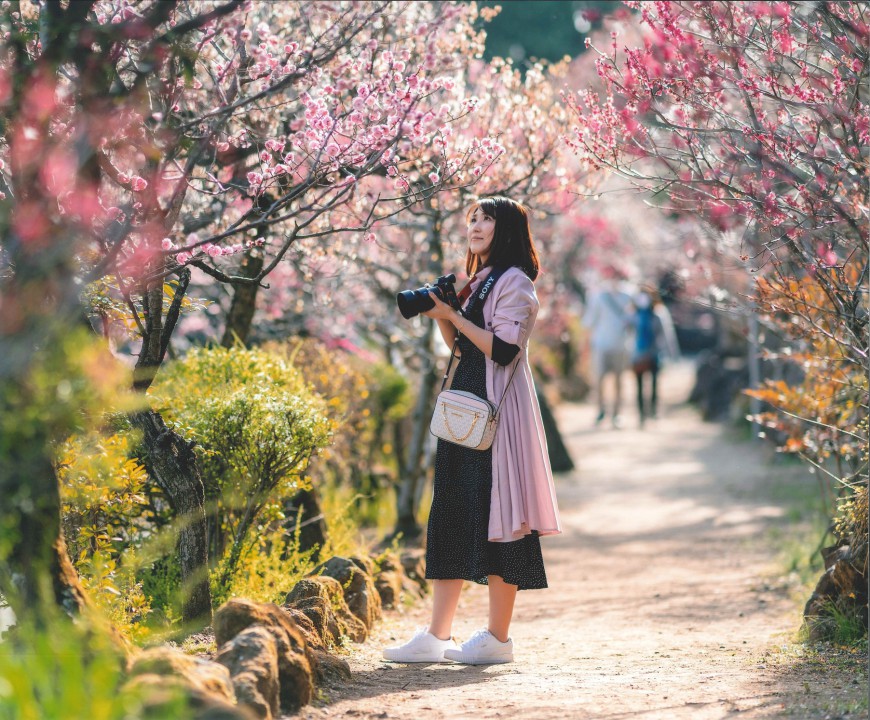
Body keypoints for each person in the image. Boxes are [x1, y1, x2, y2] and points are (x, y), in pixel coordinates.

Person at [382, 196, 561, 665]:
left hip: (497, 415)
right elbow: (463, 347)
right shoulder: (478, 281)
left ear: (507, 230)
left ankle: (497, 639)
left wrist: (454, 315)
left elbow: (502, 351)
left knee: (500, 517)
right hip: (464, 407)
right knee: (453, 511)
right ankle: (436, 636)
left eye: (487, 218)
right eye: (473, 218)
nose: (476, 225)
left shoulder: (516, 283)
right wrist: (445, 316)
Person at [582, 272, 633, 428]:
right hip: (603, 344)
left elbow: (632, 320)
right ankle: (602, 411)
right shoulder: (599, 297)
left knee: (617, 380)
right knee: (600, 380)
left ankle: (616, 413)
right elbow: (589, 321)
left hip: (619, 344)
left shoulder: (628, 297)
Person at [630, 288, 679, 427]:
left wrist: (672, 354)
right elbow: (627, 331)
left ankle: (653, 411)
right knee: (639, 386)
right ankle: (641, 415)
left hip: (654, 354)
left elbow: (666, 336)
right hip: (638, 355)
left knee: (654, 384)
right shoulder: (634, 314)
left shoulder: (658, 314)